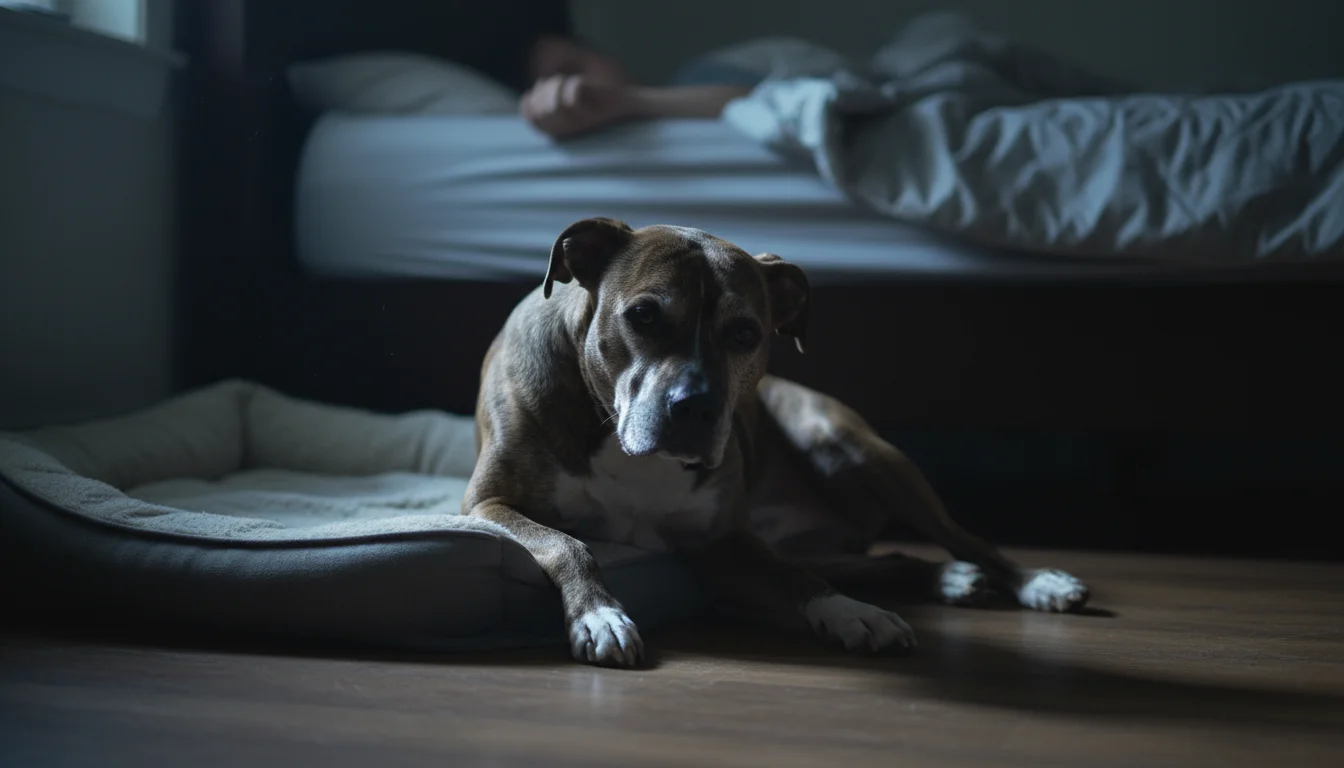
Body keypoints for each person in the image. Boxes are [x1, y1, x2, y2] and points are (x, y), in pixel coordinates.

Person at [520, 35, 762, 139]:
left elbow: (765, 105)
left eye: (573, 69)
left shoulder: (701, 76)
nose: (573, 89)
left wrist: (628, 101)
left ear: (604, 56)